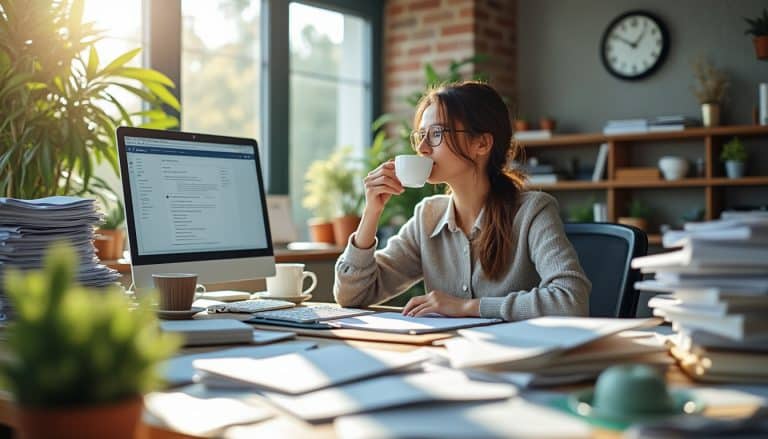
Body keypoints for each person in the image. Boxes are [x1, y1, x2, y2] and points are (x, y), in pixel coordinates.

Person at [333, 81, 590, 321]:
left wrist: (469, 307)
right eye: (420, 135)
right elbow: (352, 296)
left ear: (481, 143)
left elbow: (571, 300)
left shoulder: (532, 211)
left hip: (515, 362)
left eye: (435, 134)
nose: (422, 148)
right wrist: (372, 213)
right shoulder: (428, 216)